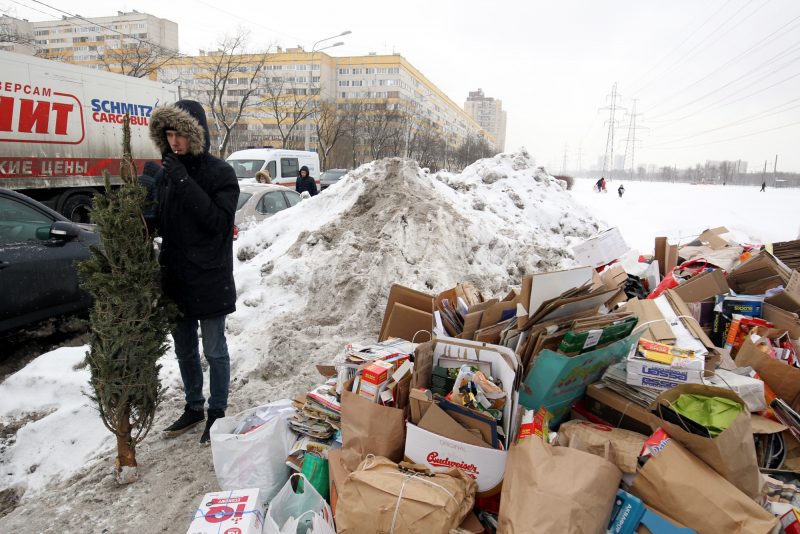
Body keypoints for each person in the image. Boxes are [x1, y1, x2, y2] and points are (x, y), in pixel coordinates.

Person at [146, 99, 240, 444]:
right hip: (176, 277)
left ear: (195, 134)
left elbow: (217, 223)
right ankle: (193, 406)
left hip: (210, 277)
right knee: (184, 350)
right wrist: (142, 216)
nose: (174, 142)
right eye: (169, 134)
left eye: (181, 134)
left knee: (214, 350)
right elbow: (164, 223)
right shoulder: (166, 173)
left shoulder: (220, 173)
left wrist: (184, 181)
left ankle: (217, 411)